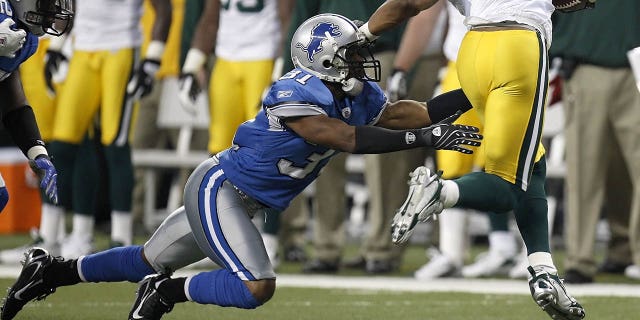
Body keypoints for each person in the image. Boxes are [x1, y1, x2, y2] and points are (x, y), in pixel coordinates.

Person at [0, 13, 481, 320]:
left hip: (239, 196)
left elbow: (406, 114)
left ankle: (52, 271)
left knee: (148, 258)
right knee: (256, 286)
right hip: (221, 187)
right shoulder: (295, 91)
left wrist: (472, 94)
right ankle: (168, 295)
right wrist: (426, 138)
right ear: (324, 60)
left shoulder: (355, 93)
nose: (361, 61)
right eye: (351, 55)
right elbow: (341, 138)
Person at [361, 0, 587, 319]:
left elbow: (409, 3)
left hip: (471, 52)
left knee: (532, 160)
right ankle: (441, 192)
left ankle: (543, 271)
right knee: (507, 181)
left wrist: (363, 33)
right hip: (518, 44)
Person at [388, 0, 519, 280]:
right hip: (463, 63)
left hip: (511, 61)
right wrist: (401, 67)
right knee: (452, 157)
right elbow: (426, 13)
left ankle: (511, 247)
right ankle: (452, 252)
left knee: (508, 157)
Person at [40, 0, 173, 258]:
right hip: (82, 48)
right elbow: (71, 5)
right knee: (62, 144)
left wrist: (152, 60)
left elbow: (163, 11)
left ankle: (121, 236)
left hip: (120, 49)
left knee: (116, 144)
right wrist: (57, 46)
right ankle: (50, 235)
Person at [549, 1, 640, 283]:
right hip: (586, 63)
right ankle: (580, 259)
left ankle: (623, 249)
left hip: (635, 63)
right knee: (584, 168)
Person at [0, 1, 68, 215]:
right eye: (47, 3)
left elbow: (13, 98)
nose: (53, 11)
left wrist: (38, 153)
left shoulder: (24, 38)